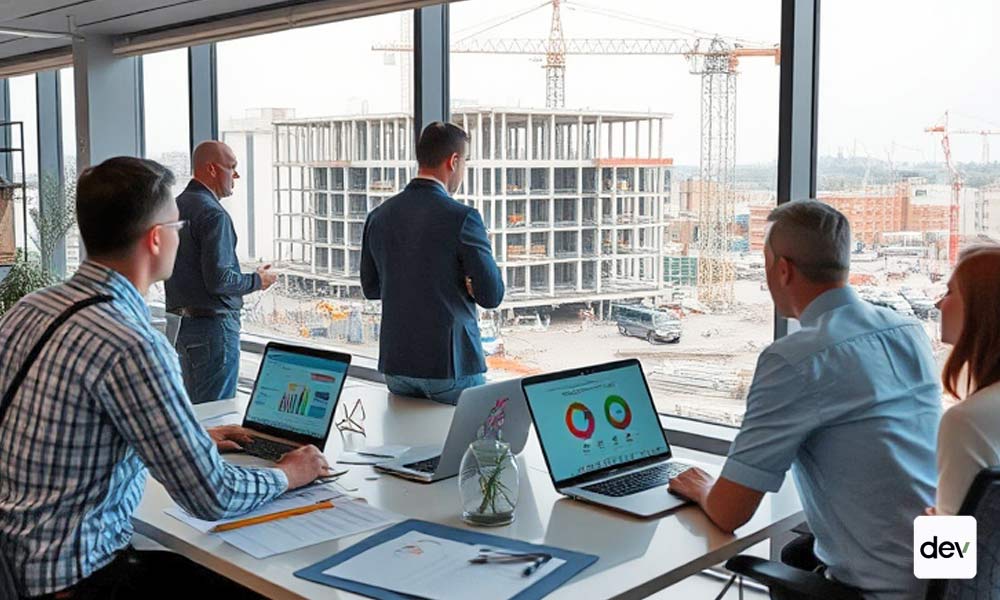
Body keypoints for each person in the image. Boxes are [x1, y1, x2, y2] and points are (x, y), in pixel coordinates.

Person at [0, 157, 330, 599]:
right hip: (74, 578)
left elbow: (53, 426)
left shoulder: (31, 308)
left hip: (15, 558)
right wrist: (290, 473)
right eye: (177, 228)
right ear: (156, 239)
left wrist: (186, 437)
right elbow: (211, 495)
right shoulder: (133, 343)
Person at [669, 200, 940, 599]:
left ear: (782, 269)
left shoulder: (796, 360)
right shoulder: (906, 329)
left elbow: (730, 513)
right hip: (946, 574)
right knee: (800, 551)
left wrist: (702, 486)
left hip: (880, 591)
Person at [361, 122, 504, 404]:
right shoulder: (463, 217)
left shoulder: (379, 216)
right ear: (453, 161)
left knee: (411, 444)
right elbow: (492, 295)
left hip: (397, 367)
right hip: (450, 366)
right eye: (465, 162)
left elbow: (372, 288)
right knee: (463, 446)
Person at [165, 140, 277, 404]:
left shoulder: (174, 208)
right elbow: (219, 280)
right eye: (232, 167)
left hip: (183, 328)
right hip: (214, 331)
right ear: (212, 170)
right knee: (217, 415)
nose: (236, 175)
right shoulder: (214, 215)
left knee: (194, 414)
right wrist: (257, 280)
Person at [934, 246, 1000, 515]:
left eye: (950, 292)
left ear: (980, 309)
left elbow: (947, 556)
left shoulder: (967, 421)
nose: (938, 304)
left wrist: (933, 526)